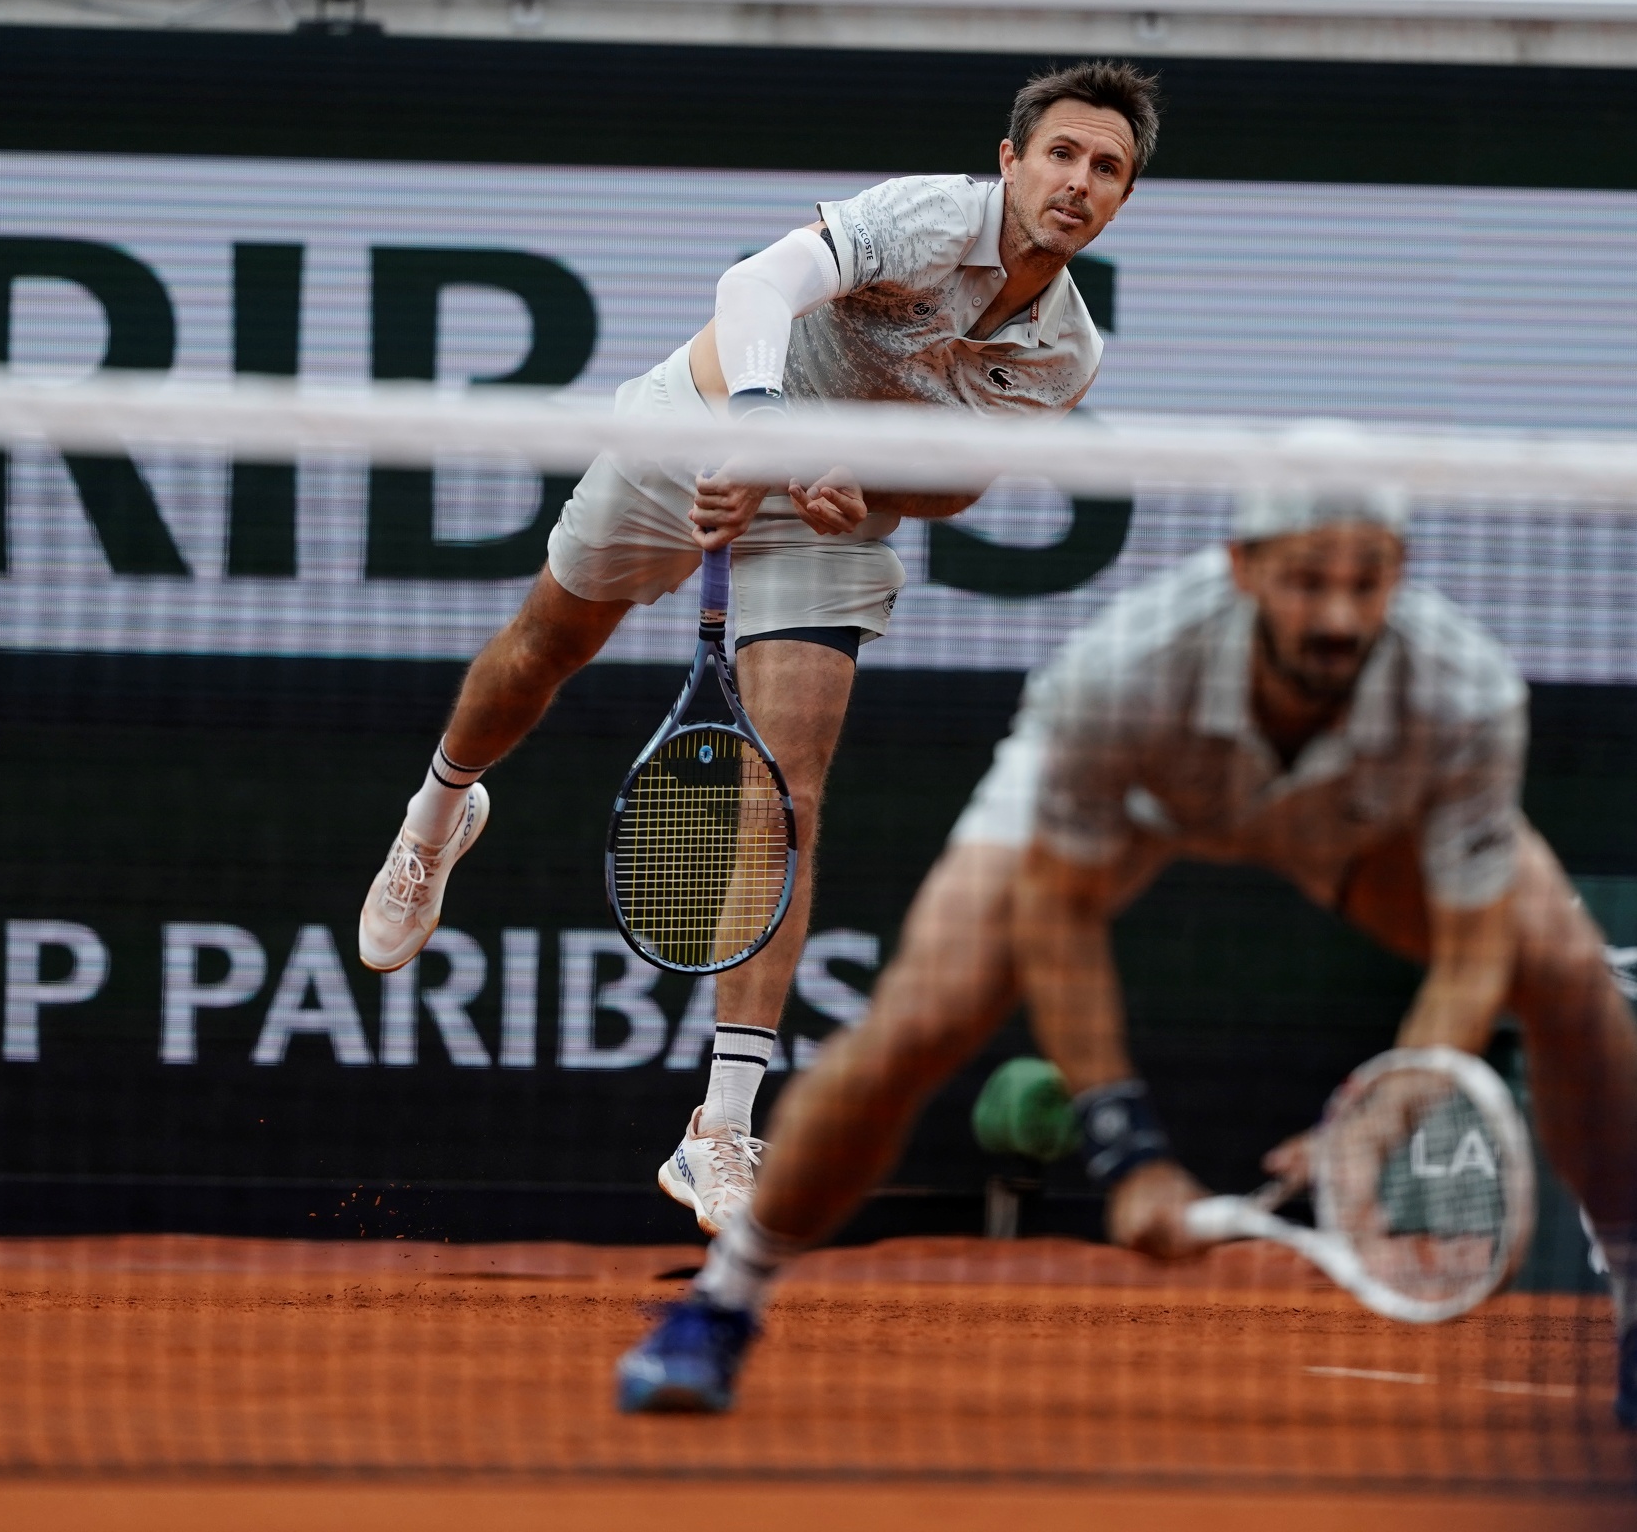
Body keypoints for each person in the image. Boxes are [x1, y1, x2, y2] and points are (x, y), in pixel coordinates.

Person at [615, 490, 1637, 1428]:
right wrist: (1129, 1151)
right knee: (922, 1011)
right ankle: (722, 1304)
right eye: (1308, 580)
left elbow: (1477, 953)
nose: (1338, 614)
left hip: (1349, 814)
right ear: (1244, 567)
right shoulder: (1124, 667)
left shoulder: (1466, 693)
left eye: (1366, 581)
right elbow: (1060, 918)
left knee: (1565, 968)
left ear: (1400, 576)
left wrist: (1378, 1123)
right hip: (1139, 794)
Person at [356, 62, 1160, 1237]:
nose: (1079, 182)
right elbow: (757, 282)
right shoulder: (928, 218)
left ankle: (720, 1128)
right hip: (702, 423)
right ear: (1011, 160)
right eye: (1062, 155)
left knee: (784, 796)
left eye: (1107, 169)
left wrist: (859, 485)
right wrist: (765, 427)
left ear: (1124, 195)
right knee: (543, 647)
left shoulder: (1065, 351)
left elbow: (957, 485)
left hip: (816, 517)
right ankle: (437, 815)